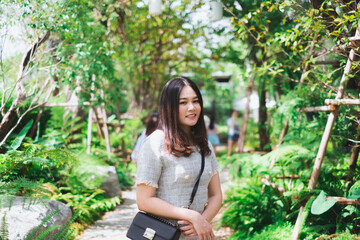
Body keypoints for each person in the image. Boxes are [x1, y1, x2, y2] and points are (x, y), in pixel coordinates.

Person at [136, 76, 223, 240]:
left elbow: (216, 195)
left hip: (197, 235)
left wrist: (202, 220)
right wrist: (191, 215)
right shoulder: (155, 143)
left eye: (195, 101)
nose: (192, 107)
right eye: (183, 103)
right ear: (169, 107)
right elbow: (144, 200)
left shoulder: (204, 145)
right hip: (162, 235)